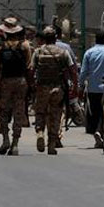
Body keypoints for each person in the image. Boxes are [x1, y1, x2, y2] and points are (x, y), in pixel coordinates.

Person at [0, 17, 34, 155]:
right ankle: (15, 143)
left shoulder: (0, 47)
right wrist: (31, 85)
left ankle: (5, 139)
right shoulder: (25, 46)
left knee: (3, 111)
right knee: (19, 112)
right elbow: (29, 67)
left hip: (5, 82)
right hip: (21, 81)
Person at [32, 26, 77, 155]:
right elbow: (73, 70)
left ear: (44, 39)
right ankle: (51, 145)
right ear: (55, 38)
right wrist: (74, 85)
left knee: (40, 113)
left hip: (42, 88)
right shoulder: (63, 52)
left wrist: (31, 85)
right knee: (55, 116)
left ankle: (40, 132)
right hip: (58, 88)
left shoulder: (38, 52)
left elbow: (31, 70)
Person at [79, 31, 104, 148]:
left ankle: (97, 133)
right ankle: (100, 132)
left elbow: (83, 71)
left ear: (95, 39)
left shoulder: (89, 53)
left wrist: (80, 85)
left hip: (93, 89)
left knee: (95, 112)